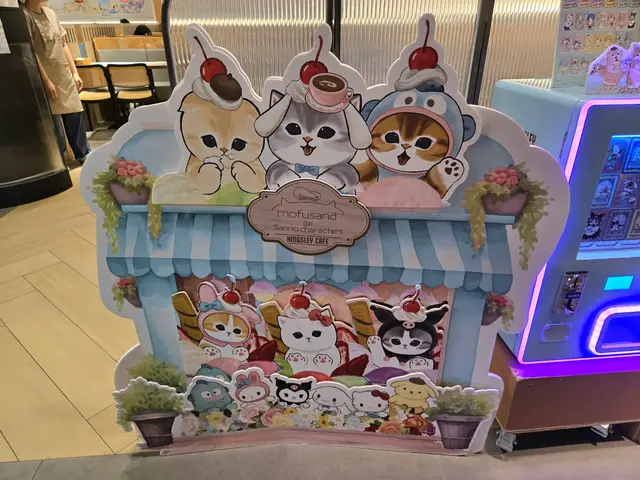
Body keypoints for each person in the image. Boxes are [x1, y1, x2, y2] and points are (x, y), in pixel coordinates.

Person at [23, 0, 90, 163]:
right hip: (46, 74)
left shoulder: (51, 13)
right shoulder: (24, 15)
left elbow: (63, 44)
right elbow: (31, 51)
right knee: (54, 122)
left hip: (63, 73)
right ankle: (58, 160)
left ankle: (83, 154)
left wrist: (75, 72)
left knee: (75, 113)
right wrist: (46, 81)